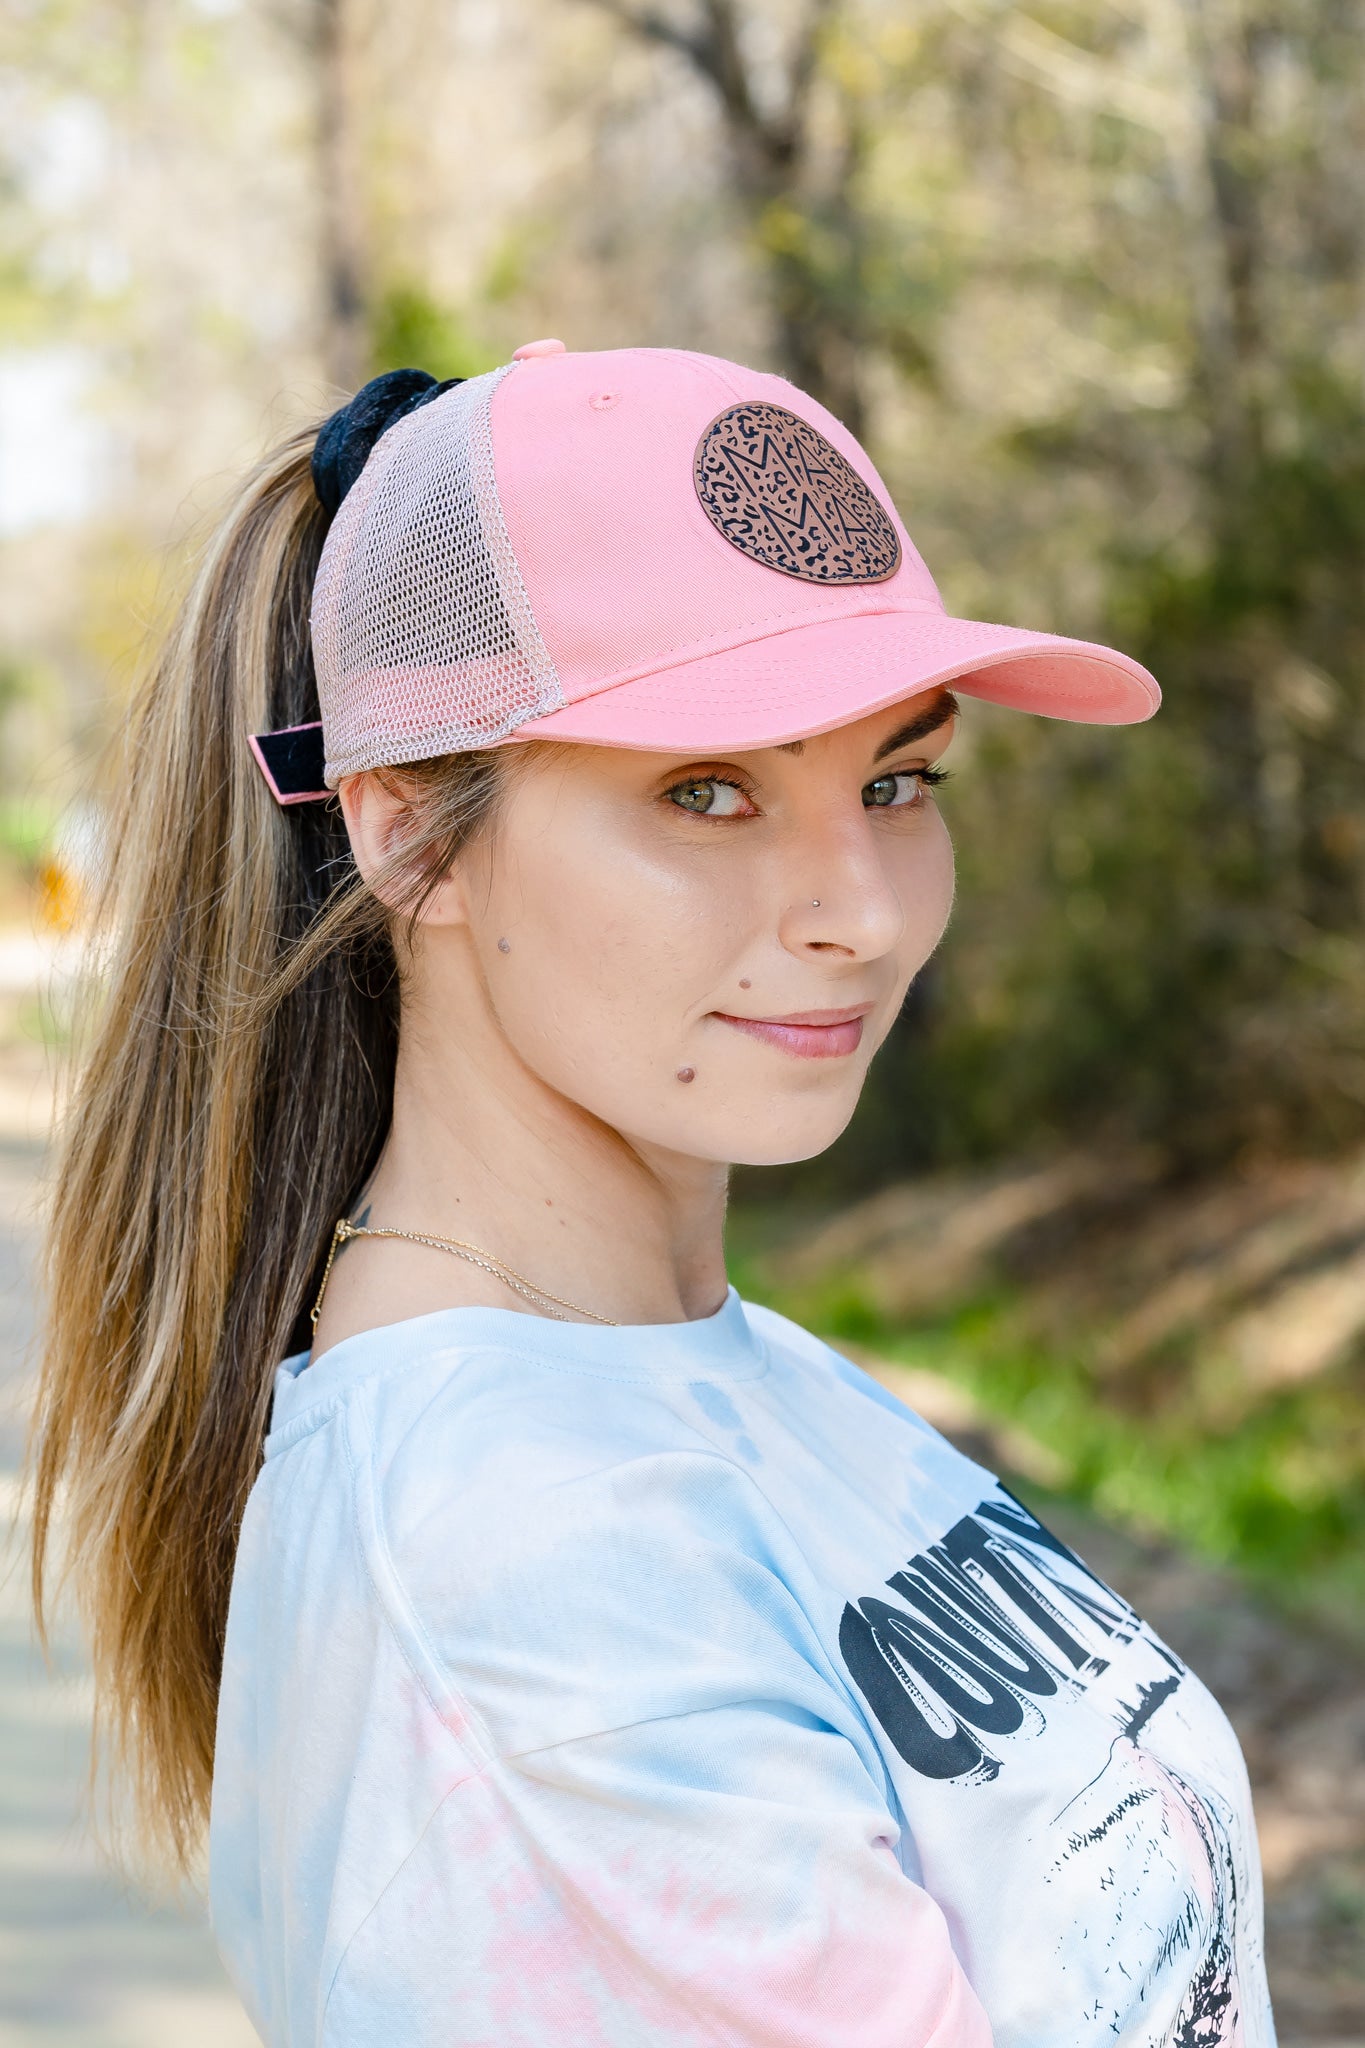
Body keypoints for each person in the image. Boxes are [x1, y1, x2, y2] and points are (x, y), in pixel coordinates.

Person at [32, 340, 1273, 2048]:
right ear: (409, 834)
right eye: (707, 791)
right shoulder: (515, 1561)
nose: (863, 912)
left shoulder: (717, 1377)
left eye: (896, 782)